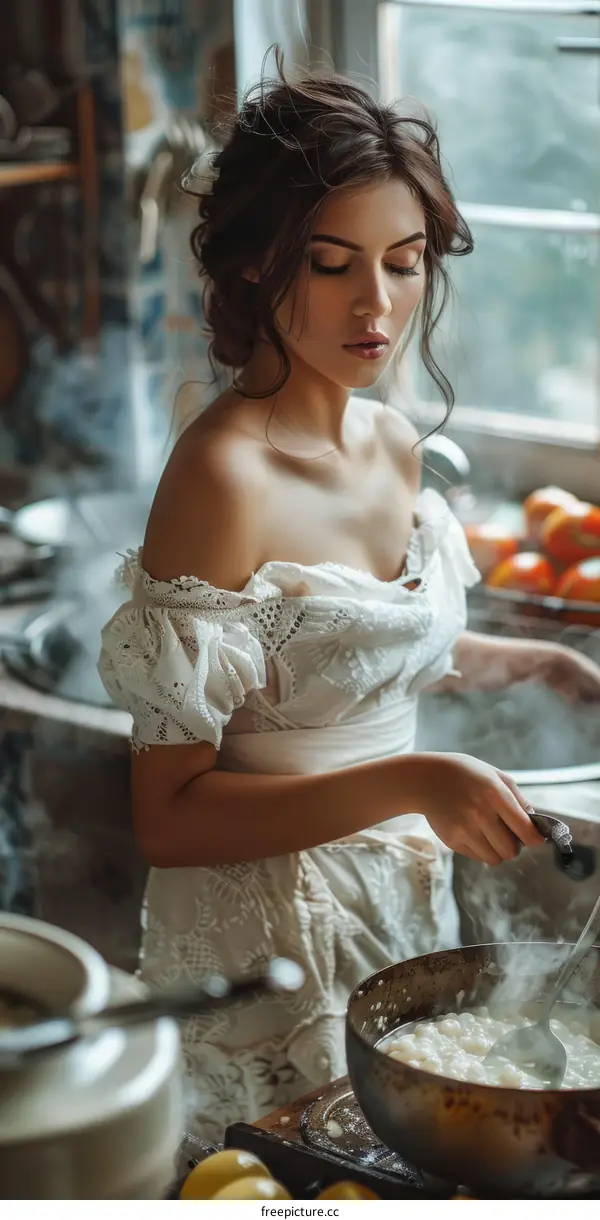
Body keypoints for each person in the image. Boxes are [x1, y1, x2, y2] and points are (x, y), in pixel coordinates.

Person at [98, 56, 600, 1141]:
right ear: (254, 265)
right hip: (262, 936)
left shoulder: (390, 441)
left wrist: (533, 664)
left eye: (403, 263)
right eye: (331, 265)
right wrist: (415, 779)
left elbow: (341, 653)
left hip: (398, 906)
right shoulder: (222, 477)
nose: (377, 305)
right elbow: (168, 816)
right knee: (272, 1188)